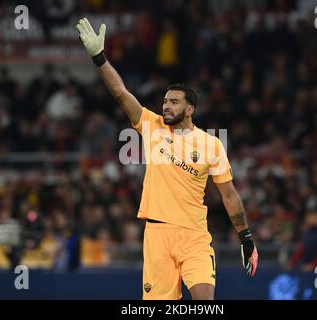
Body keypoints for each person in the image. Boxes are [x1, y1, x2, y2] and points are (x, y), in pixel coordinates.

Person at [76, 18, 258, 300]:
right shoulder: (152, 126)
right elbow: (120, 92)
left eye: (174, 102)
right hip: (157, 236)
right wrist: (99, 58)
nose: (166, 105)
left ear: (190, 109)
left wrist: (245, 237)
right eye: (164, 101)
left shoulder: (211, 144)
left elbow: (230, 195)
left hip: (195, 236)